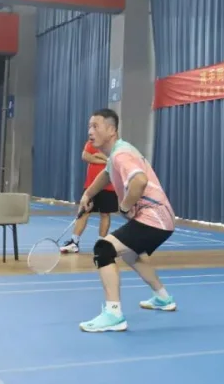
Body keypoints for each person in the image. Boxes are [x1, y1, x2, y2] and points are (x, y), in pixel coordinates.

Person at [77, 108, 177, 333]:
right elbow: (106, 174)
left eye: (96, 126)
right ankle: (163, 298)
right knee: (130, 254)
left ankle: (114, 315)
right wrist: (87, 195)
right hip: (161, 218)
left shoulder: (121, 155)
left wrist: (124, 206)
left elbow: (139, 181)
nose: (90, 131)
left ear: (111, 130)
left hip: (155, 218)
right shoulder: (117, 153)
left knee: (103, 249)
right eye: (89, 126)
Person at [60, 139, 119, 254]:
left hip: (108, 185)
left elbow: (115, 163)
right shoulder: (92, 142)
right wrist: (105, 160)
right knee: (83, 211)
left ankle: (101, 244)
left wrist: (101, 157)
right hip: (90, 185)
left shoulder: (115, 145)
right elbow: (85, 156)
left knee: (105, 214)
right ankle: (74, 242)